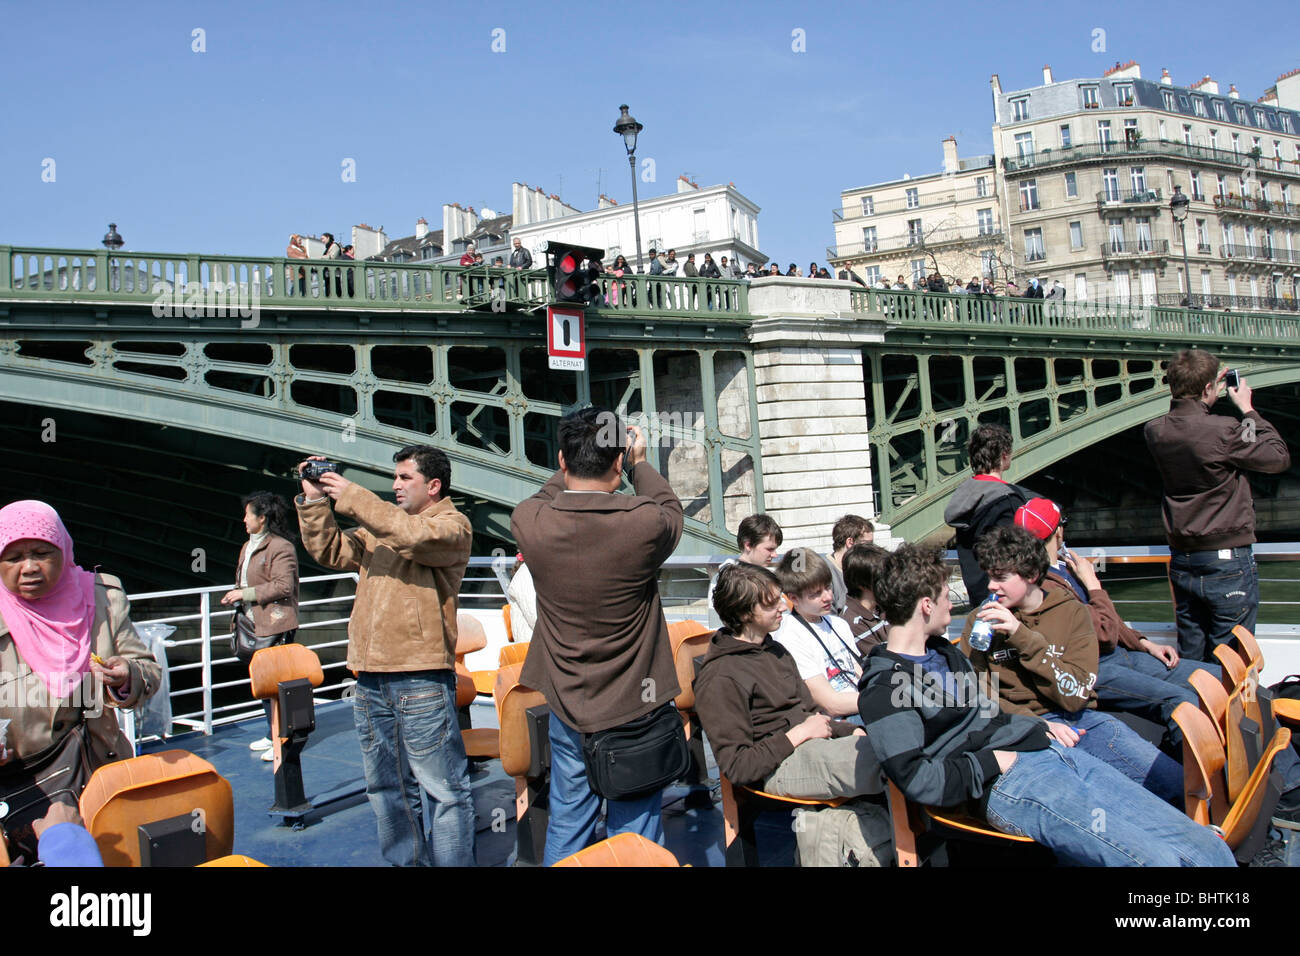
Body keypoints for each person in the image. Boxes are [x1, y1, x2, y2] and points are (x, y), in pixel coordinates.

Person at [858, 544, 1235, 866]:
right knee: (1158, 859)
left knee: (1205, 845)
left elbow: (986, 713)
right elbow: (919, 780)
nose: (950, 607)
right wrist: (995, 761)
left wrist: (1040, 727)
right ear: (925, 605)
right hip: (1010, 780)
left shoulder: (943, 653)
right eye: (945, 597)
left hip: (1046, 750)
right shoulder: (886, 688)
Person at [512, 408, 683, 864]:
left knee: (569, 819)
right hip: (635, 702)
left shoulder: (530, 521)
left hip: (569, 701)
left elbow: (550, 492)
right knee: (637, 827)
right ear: (618, 461)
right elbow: (669, 506)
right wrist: (639, 463)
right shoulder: (643, 523)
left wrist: (577, 454)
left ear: (564, 461)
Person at [296, 446, 474, 867]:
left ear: (434, 485)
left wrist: (351, 494)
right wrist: (316, 500)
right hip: (371, 676)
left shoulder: (452, 525)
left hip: (421, 677)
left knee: (444, 791)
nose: (394, 485)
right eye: (393, 478)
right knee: (386, 790)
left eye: (404, 478)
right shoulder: (381, 528)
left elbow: (413, 538)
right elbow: (331, 551)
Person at [961, 525, 1184, 804]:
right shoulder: (979, 622)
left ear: (1031, 575)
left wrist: (1021, 636)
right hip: (1018, 726)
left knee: (1176, 784)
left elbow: (1075, 696)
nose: (991, 587)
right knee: (1103, 799)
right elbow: (977, 696)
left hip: (1079, 718)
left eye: (1000, 578)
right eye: (989, 577)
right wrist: (1034, 723)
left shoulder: (1073, 613)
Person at [0, 500, 160, 862]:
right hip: (19, 785)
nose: (28, 568)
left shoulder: (102, 597)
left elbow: (147, 670)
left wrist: (127, 675)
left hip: (96, 771)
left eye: (42, 553)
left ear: (64, 549)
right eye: (13, 558)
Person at [1145, 350, 1291, 662]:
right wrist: (1247, 411)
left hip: (1183, 559)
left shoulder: (1155, 430)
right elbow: (1275, 456)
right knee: (1229, 661)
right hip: (1227, 561)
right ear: (1210, 388)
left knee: (1193, 659)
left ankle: (1192, 710)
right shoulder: (1225, 429)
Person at [694, 562, 882, 799]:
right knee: (885, 763)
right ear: (744, 613)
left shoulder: (776, 651)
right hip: (778, 768)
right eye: (772, 603)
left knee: (896, 748)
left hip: (813, 746)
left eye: (781, 598)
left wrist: (852, 731)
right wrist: (799, 734)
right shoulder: (720, 677)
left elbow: (812, 714)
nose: (784, 606)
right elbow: (738, 767)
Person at [220, 491, 299, 761]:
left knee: (277, 685)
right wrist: (236, 593)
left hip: (275, 624)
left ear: (262, 518)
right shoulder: (248, 545)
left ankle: (282, 738)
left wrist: (245, 594)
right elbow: (244, 580)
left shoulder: (280, 547)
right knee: (263, 683)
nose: (243, 520)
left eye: (247, 515)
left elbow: (283, 586)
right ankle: (271, 734)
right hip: (253, 624)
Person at [943, 422, 1035, 604]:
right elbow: (1014, 553)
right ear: (1004, 455)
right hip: (1004, 598)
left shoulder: (964, 495)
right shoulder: (1007, 500)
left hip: (978, 594)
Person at [772, 548, 863, 721]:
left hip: (860, 705)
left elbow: (859, 673)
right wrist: (881, 700)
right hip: (839, 722)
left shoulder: (839, 624)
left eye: (828, 588)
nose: (828, 597)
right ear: (794, 598)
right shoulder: (789, 637)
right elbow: (832, 705)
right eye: (816, 594)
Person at [706, 513, 782, 627]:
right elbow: (717, 625)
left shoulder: (765, 576)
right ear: (748, 545)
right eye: (769, 549)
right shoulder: (725, 579)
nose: (775, 555)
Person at [839, 543, 889, 651]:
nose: (890, 580)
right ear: (862, 584)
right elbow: (887, 660)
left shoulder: (884, 605)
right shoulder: (853, 623)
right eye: (883, 576)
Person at [823, 514, 873, 615]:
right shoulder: (824, 571)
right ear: (850, 542)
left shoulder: (864, 568)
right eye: (868, 544)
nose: (872, 549)